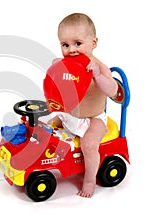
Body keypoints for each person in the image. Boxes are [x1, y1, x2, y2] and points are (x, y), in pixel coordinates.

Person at [49, 13, 118, 198]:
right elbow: (56, 88)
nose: (71, 49)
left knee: (88, 145)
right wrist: (55, 70)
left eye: (78, 43)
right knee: (49, 124)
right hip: (70, 115)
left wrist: (98, 76)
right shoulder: (66, 65)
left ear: (94, 43)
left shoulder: (99, 67)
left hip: (93, 119)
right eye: (65, 45)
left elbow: (112, 90)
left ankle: (89, 180)